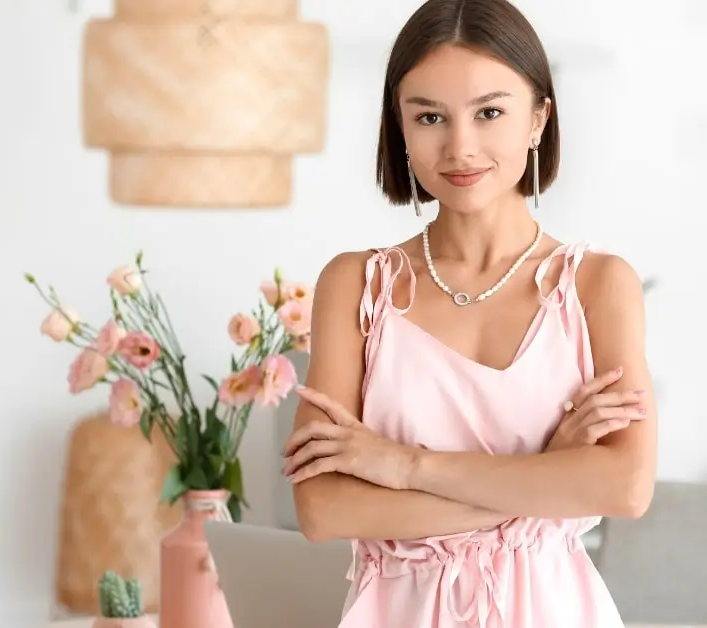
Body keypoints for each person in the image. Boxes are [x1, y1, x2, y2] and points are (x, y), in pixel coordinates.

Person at [280, 0, 657, 626]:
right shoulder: (356, 285)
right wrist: (545, 478)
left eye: (490, 113)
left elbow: (625, 487)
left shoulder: (597, 285)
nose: (460, 147)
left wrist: (403, 468)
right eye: (429, 116)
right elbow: (324, 510)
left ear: (539, 118)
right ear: (398, 124)